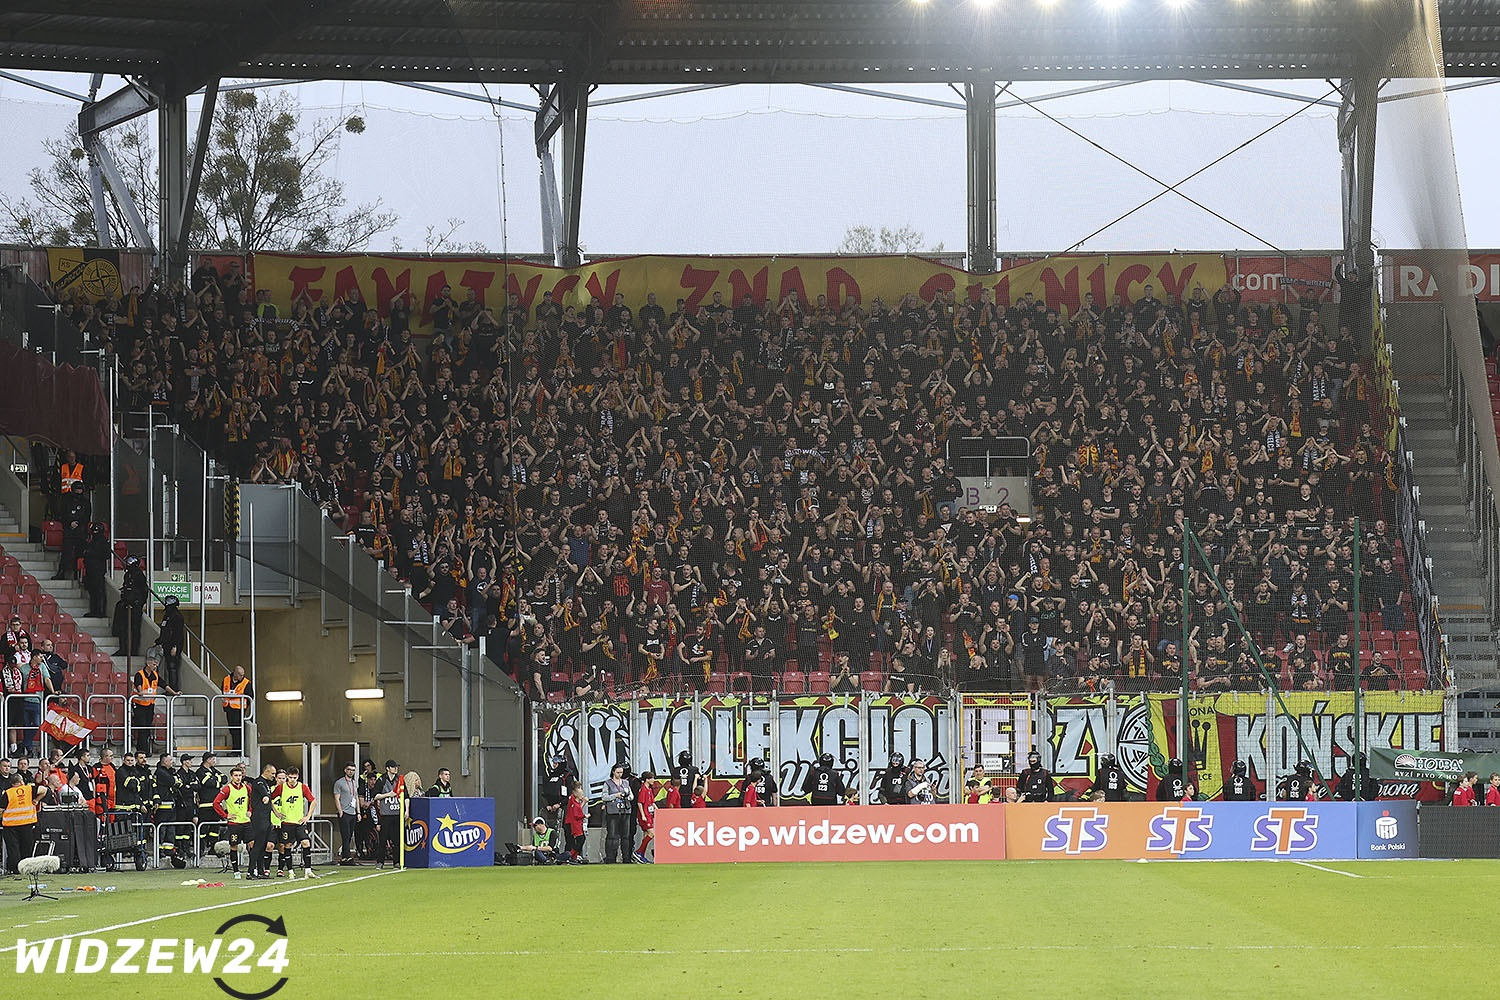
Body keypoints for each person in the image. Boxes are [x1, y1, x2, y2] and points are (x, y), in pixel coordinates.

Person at [273, 765, 318, 878]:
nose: (292, 780)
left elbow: (313, 801)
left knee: (306, 843)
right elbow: (270, 799)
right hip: (286, 823)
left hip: (299, 823)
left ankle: (308, 870)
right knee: (287, 845)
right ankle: (290, 871)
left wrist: (308, 816)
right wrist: (276, 813)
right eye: (290, 777)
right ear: (287, 777)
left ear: (298, 777)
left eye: (295, 778)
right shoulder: (281, 788)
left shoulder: (302, 787)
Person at [131, 651, 176, 756]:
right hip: (139, 705)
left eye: (156, 665)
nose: (156, 666)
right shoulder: (139, 675)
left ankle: (143, 750)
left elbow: (164, 685)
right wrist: (145, 693)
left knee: (147, 728)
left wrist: (174, 693)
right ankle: (143, 750)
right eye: (154, 664)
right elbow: (140, 690)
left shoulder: (155, 675)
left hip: (150, 705)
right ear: (148, 664)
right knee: (142, 727)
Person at [1, 772, 45, 873]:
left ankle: (15, 870)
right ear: (21, 781)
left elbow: (1, 809)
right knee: (26, 848)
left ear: (12, 783)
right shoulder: (29, 789)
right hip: (27, 824)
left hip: (10, 826)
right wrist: (36, 800)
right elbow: (44, 790)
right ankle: (26, 869)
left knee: (13, 849)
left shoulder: (8, 793)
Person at [212, 765, 253, 876]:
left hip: (246, 821)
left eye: (240, 775)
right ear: (231, 777)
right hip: (234, 823)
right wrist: (225, 815)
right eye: (236, 775)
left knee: (252, 844)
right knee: (234, 846)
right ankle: (236, 871)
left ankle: (252, 868)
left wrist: (250, 810)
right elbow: (216, 803)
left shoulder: (246, 787)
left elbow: (252, 799)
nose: (238, 778)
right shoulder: (227, 789)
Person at [372, 758, 406, 868]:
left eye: (396, 767)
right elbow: (375, 796)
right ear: (387, 768)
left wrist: (406, 810)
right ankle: (380, 862)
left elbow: (406, 796)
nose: (395, 769)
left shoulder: (399, 780)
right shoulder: (382, 780)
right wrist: (388, 794)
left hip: (397, 813)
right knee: (383, 839)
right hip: (386, 814)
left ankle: (397, 862)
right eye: (393, 767)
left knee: (397, 840)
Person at [246, 762, 277, 879]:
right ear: (266, 772)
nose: (274, 776)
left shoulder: (266, 783)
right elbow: (264, 793)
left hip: (266, 818)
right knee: (258, 845)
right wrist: (265, 797)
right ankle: (250, 872)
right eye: (272, 773)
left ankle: (260, 871)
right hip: (259, 819)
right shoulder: (259, 782)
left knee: (263, 846)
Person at [115, 556, 148, 657]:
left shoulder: (139, 575)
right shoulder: (127, 575)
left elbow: (144, 591)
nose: (127, 565)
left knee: (135, 629)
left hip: (135, 606)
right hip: (126, 604)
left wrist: (138, 602)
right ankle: (123, 649)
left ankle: (134, 650)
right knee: (123, 628)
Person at [196, 752, 227, 856]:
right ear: (208, 760)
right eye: (213, 759)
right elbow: (208, 782)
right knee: (203, 829)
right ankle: (200, 849)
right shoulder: (200, 771)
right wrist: (217, 781)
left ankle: (213, 849)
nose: (214, 761)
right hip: (205, 805)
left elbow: (225, 778)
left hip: (216, 805)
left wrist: (215, 780)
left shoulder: (213, 770)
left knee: (215, 829)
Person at [602, 764, 633, 863]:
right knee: (612, 835)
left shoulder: (626, 783)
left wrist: (626, 796)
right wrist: (615, 795)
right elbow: (604, 797)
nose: (620, 774)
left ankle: (626, 857)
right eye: (618, 772)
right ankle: (611, 857)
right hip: (613, 811)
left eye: (621, 772)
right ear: (613, 772)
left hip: (625, 811)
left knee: (626, 835)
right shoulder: (608, 783)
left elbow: (631, 796)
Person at [333, 762, 360, 864]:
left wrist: (358, 812)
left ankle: (345, 856)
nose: (351, 772)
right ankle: (347, 856)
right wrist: (340, 811)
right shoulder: (339, 783)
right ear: (345, 770)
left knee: (349, 835)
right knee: (345, 834)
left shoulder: (354, 783)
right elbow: (336, 798)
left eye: (353, 770)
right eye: (349, 769)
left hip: (353, 812)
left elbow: (356, 798)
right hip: (344, 812)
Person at [221, 665, 252, 753]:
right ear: (235, 673)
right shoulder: (226, 679)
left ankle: (237, 750)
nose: (242, 677)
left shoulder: (246, 683)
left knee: (238, 731)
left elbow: (250, 697)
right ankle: (235, 749)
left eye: (242, 675)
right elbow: (222, 691)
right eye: (240, 675)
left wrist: (244, 708)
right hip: (229, 709)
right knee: (232, 730)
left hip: (239, 710)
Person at [157, 595, 186, 691]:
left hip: (173, 645)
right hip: (166, 644)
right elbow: (165, 630)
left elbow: (178, 633)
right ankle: (170, 688)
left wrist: (175, 646)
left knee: (172, 667)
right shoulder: (167, 615)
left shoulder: (177, 616)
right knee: (168, 667)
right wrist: (160, 641)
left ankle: (174, 689)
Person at [540, 754, 573, 829]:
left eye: (556, 763)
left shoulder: (567, 776)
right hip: (550, 809)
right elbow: (544, 792)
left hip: (563, 807)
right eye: (553, 763)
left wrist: (559, 804)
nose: (554, 765)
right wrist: (547, 805)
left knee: (564, 828)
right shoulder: (551, 775)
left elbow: (570, 794)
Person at [633, 771, 658, 863]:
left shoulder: (649, 789)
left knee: (646, 835)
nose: (653, 780)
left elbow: (652, 802)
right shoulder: (643, 789)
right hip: (645, 815)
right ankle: (638, 852)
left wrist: (658, 810)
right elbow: (640, 803)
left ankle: (641, 856)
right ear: (647, 779)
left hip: (649, 815)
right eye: (652, 778)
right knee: (652, 833)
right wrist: (643, 815)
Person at [563, 782, 588, 864]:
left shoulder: (574, 801)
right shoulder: (572, 800)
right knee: (573, 841)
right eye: (579, 788)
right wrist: (584, 815)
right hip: (571, 823)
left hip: (573, 823)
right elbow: (576, 813)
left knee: (577, 840)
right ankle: (568, 856)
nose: (581, 791)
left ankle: (573, 856)